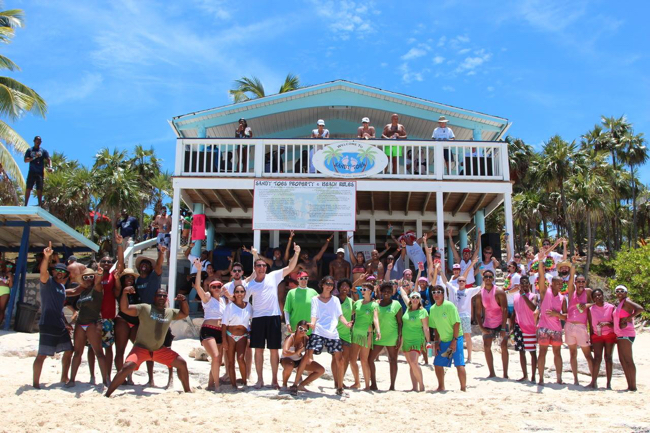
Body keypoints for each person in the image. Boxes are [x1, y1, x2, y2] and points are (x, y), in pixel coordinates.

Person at [105, 288, 191, 397]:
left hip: (158, 350)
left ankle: (188, 392)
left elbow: (185, 313)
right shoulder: (145, 308)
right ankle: (108, 394)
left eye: (164, 296)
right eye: (159, 295)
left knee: (182, 364)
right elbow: (125, 308)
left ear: (166, 298)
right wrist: (124, 293)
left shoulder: (170, 312)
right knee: (127, 367)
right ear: (154, 297)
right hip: (141, 348)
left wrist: (183, 301)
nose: (161, 297)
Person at [246, 243, 300, 389]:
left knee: (274, 350)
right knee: (258, 350)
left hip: (274, 317)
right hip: (257, 319)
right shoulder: (250, 285)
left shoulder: (273, 276)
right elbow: (243, 301)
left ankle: (274, 380)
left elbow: (290, 268)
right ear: (255, 268)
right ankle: (259, 380)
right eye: (258, 266)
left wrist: (296, 253)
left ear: (266, 268)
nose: (261, 268)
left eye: (264, 265)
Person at [292, 276, 352, 396]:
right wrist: (312, 323)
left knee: (340, 360)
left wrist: (346, 323)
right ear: (322, 285)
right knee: (307, 357)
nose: (329, 286)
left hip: (332, 332)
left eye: (331, 284)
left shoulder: (335, 300)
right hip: (318, 330)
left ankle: (340, 387)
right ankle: (295, 385)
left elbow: (340, 315)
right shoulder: (315, 299)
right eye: (327, 283)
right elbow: (314, 313)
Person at [33, 242, 73, 388]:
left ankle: (64, 377)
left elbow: (60, 308)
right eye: (57, 270)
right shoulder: (48, 282)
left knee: (69, 350)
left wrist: (66, 323)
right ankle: (35, 383)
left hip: (59, 324)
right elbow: (43, 272)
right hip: (47, 323)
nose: (59, 273)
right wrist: (46, 257)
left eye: (62, 272)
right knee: (42, 354)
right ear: (54, 272)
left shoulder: (62, 288)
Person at [65, 268, 111, 387]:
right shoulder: (83, 291)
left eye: (91, 276)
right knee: (77, 352)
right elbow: (71, 291)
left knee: (99, 352)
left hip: (92, 323)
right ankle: (72, 380)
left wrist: (99, 274)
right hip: (80, 323)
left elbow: (98, 282)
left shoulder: (97, 289)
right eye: (86, 277)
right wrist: (56, 290)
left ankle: (105, 380)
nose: (89, 279)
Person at [193, 259, 226, 391]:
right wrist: (199, 270)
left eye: (219, 286)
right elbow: (198, 287)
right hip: (208, 331)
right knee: (216, 356)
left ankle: (211, 384)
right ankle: (217, 386)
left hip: (220, 332)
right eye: (214, 287)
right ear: (210, 288)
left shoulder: (224, 301)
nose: (216, 288)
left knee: (217, 360)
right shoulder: (207, 299)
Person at [440, 259, 479, 362]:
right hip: (454, 314)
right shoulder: (453, 285)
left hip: (464, 315)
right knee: (452, 336)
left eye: (463, 281)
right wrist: (440, 270)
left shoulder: (467, 289)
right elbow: (445, 282)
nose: (461, 281)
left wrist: (472, 265)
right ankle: (450, 355)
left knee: (467, 336)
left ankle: (469, 357)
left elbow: (466, 275)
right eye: (455, 269)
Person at [536, 257, 566, 386]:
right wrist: (541, 260)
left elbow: (566, 316)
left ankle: (559, 378)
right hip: (543, 327)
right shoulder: (545, 292)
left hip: (556, 329)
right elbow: (541, 276)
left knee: (557, 353)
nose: (560, 285)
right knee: (542, 352)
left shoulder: (562, 298)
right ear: (552, 284)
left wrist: (556, 314)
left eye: (561, 284)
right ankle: (541, 378)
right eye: (558, 283)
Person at [429, 285, 466, 391]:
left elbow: (457, 323)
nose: (436, 294)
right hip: (444, 341)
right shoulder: (432, 309)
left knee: (459, 364)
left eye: (439, 292)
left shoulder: (449, 306)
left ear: (443, 293)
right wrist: (436, 342)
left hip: (455, 339)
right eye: (434, 292)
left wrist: (454, 341)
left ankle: (463, 389)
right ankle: (441, 386)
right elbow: (435, 328)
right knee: (438, 363)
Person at [368, 282, 403, 391]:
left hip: (392, 336)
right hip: (378, 336)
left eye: (389, 291)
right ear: (381, 292)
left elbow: (400, 322)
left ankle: (392, 386)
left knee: (393, 360)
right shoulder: (376, 304)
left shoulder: (396, 304)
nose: (386, 293)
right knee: (370, 359)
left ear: (392, 293)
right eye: (384, 291)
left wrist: (399, 337)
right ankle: (373, 384)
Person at [475, 269, 509, 378]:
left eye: (490, 277)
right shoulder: (480, 294)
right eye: (486, 277)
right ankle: (492, 372)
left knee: (504, 347)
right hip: (488, 322)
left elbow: (504, 310)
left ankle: (505, 373)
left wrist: (503, 328)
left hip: (500, 322)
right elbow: (478, 312)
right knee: (486, 347)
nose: (488, 279)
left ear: (493, 279)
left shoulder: (499, 292)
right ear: (483, 279)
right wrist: (481, 327)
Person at [564, 263, 593, 385]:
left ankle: (593, 379)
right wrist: (573, 265)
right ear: (575, 283)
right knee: (572, 353)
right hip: (569, 325)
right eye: (578, 282)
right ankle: (575, 379)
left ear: (585, 283)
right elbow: (570, 279)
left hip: (581, 326)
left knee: (587, 354)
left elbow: (595, 303)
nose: (580, 284)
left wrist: (586, 305)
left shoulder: (588, 292)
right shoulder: (571, 292)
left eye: (582, 281)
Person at [349, 282, 380, 391]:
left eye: (364, 289)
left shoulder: (374, 304)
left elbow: (375, 318)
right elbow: (350, 314)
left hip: (367, 334)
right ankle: (357, 382)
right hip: (355, 333)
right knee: (352, 359)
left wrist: (378, 331)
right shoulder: (357, 303)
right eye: (361, 289)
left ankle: (367, 385)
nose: (362, 291)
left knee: (364, 360)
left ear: (370, 291)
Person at [613, 284, 644, 391]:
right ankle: (629, 385)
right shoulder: (621, 303)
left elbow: (639, 309)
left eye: (622, 291)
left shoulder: (626, 301)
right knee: (623, 360)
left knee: (628, 360)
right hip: (620, 333)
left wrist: (628, 318)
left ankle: (633, 386)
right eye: (617, 291)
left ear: (626, 292)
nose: (619, 293)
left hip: (626, 333)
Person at [222, 283, 253, 389]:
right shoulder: (229, 306)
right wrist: (224, 340)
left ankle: (244, 382)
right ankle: (233, 384)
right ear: (234, 294)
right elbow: (224, 324)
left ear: (245, 293)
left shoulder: (249, 306)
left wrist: (251, 335)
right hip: (230, 335)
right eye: (237, 292)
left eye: (241, 291)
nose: (239, 294)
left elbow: (252, 321)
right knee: (231, 361)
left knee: (240, 359)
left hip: (243, 336)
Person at [399, 290, 429, 392]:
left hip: (416, 339)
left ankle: (421, 385)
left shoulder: (423, 311)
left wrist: (428, 341)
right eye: (413, 298)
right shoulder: (408, 308)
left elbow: (426, 328)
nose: (415, 300)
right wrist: (400, 286)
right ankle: (414, 387)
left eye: (417, 298)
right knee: (411, 364)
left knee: (413, 362)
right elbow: (403, 295)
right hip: (406, 339)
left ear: (420, 300)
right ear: (410, 299)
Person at [281, 320, 324, 391]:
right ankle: (284, 384)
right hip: (287, 359)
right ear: (297, 327)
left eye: (305, 330)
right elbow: (285, 352)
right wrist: (296, 352)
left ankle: (301, 385)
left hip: (298, 360)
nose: (302, 331)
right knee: (289, 366)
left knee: (320, 370)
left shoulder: (306, 339)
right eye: (301, 328)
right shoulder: (291, 337)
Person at [587, 288, 616, 389]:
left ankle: (608, 383)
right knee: (597, 358)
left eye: (599, 295)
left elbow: (616, 323)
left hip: (609, 335)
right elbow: (590, 326)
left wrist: (607, 323)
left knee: (608, 358)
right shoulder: (591, 310)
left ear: (603, 295)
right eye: (595, 296)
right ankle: (593, 382)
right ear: (593, 299)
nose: (598, 297)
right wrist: (590, 341)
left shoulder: (611, 307)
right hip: (597, 335)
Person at [512, 276, 538, 382]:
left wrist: (524, 295)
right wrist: (512, 327)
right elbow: (514, 312)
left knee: (532, 352)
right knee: (521, 352)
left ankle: (533, 376)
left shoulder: (533, 296)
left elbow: (533, 308)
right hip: (519, 327)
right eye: (522, 283)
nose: (524, 285)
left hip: (530, 328)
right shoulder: (515, 296)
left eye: (526, 283)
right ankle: (525, 375)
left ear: (529, 284)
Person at [335, 278, 358, 388]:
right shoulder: (334, 300)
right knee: (335, 358)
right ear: (339, 288)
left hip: (346, 333)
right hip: (334, 333)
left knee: (346, 359)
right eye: (342, 286)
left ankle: (340, 380)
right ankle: (336, 382)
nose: (345, 288)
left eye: (347, 286)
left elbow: (359, 307)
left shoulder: (351, 301)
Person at [23, 136, 51, 207]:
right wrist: (35, 157)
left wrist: (50, 167)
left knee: (39, 188)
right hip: (32, 171)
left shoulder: (43, 151)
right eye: (37, 140)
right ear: (34, 141)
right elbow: (26, 160)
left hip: (40, 172)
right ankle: (25, 204)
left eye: (40, 141)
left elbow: (48, 159)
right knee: (28, 188)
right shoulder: (30, 150)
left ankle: (39, 204)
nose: (38, 142)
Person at [0, 259, 14, 327]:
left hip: (5, 291)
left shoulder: (10, 274)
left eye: (11, 266)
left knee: (2, 309)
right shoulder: (0, 273)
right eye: (8, 265)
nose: (9, 267)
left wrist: (10, 277)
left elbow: (11, 285)